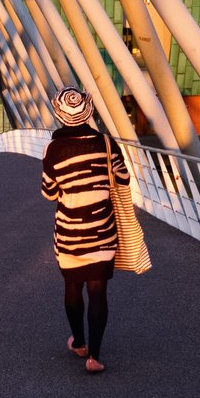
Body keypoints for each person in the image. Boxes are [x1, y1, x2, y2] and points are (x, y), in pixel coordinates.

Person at [39, 86, 126, 374]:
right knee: (98, 290)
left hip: (69, 230)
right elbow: (123, 179)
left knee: (72, 286)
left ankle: (79, 342)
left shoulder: (53, 149)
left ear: (60, 114)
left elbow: (49, 192)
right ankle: (95, 357)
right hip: (102, 228)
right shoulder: (106, 143)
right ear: (88, 111)